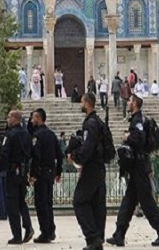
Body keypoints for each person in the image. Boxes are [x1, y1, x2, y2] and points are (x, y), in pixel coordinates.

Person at [106, 94, 159, 247]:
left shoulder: (137, 120)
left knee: (147, 203)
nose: (127, 103)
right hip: (137, 167)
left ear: (134, 103)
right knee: (128, 202)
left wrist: (128, 137)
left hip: (140, 166)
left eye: (129, 101)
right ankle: (119, 234)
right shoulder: (137, 119)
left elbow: (139, 139)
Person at [68, 93, 107, 250]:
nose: (80, 105)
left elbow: (88, 147)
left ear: (87, 103)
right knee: (96, 203)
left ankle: (92, 236)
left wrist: (75, 157)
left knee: (80, 201)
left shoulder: (91, 123)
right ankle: (97, 239)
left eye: (82, 102)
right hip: (98, 167)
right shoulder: (98, 122)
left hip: (92, 167)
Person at [0, 110, 34, 244]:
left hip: (12, 171)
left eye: (9, 117)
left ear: (14, 118)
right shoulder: (26, 134)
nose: (7, 119)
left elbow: (4, 154)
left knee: (12, 203)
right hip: (23, 171)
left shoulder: (10, 135)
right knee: (21, 201)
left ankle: (17, 235)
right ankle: (28, 226)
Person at [28, 108, 62, 243]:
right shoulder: (51, 134)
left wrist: (33, 174)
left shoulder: (38, 136)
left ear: (38, 118)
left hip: (41, 173)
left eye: (33, 118)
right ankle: (51, 230)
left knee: (41, 203)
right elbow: (59, 154)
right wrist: (58, 171)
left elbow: (36, 156)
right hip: (50, 173)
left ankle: (45, 232)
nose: (31, 121)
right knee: (48, 202)